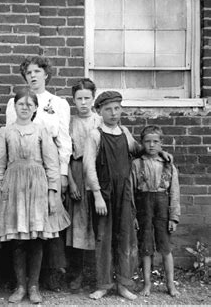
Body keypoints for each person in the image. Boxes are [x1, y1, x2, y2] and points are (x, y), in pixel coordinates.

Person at [0, 90, 70, 304]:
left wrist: (52, 194)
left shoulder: (41, 131)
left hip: (37, 187)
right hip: (13, 187)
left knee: (36, 239)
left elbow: (52, 164)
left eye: (29, 104)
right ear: (14, 106)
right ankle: (20, 286)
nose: (25, 107)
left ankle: (34, 286)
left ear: (35, 108)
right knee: (17, 239)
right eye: (20, 104)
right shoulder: (5, 132)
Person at [6, 56, 73, 290]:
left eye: (37, 71)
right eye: (28, 72)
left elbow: (64, 140)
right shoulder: (14, 103)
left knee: (49, 220)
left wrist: (63, 174)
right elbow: (11, 138)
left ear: (46, 74)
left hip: (50, 170)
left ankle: (52, 274)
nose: (33, 75)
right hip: (22, 172)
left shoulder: (59, 103)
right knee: (25, 222)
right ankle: (22, 282)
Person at [83, 90, 140, 301]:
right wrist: (97, 195)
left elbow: (137, 150)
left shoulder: (125, 132)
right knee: (104, 239)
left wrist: (159, 152)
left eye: (117, 108)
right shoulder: (95, 135)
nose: (113, 113)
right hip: (104, 194)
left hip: (124, 193)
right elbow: (88, 168)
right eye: (108, 109)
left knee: (125, 237)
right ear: (99, 111)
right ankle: (103, 284)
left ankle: (124, 284)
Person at [131, 126, 180, 297]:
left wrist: (173, 218)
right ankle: (147, 285)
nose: (151, 145)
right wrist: (133, 216)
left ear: (161, 143)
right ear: (142, 143)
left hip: (162, 208)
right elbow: (130, 192)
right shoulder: (136, 164)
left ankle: (170, 285)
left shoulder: (169, 165)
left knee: (165, 248)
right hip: (143, 208)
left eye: (155, 141)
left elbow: (174, 193)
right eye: (147, 141)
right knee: (146, 248)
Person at [65, 78, 101, 290]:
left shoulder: (100, 121)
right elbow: (65, 156)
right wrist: (71, 182)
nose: (83, 103)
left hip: (97, 172)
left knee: (99, 225)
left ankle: (99, 275)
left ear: (93, 99)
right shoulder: (69, 122)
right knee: (78, 226)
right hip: (77, 171)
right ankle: (76, 274)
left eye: (87, 98)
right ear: (74, 100)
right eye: (79, 99)